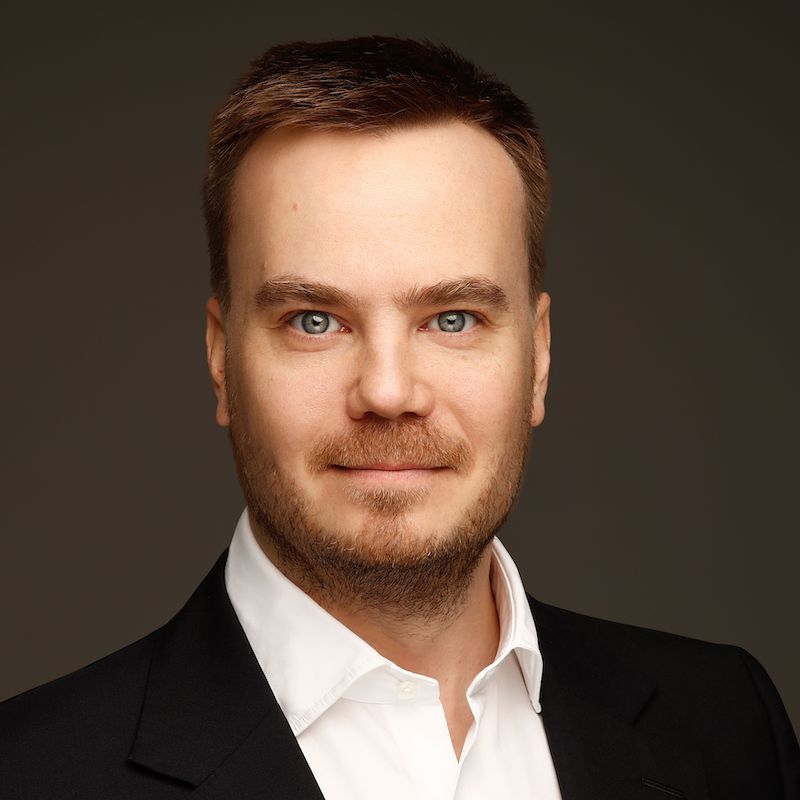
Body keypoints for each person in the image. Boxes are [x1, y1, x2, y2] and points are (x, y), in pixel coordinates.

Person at [1, 35, 797, 800]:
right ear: (220, 359)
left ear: (539, 357)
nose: (387, 392)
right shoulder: (29, 776)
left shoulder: (728, 726)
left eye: (452, 319)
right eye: (315, 321)